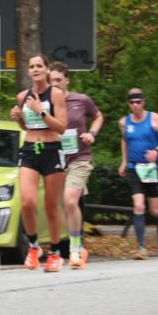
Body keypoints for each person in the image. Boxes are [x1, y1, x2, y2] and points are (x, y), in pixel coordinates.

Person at [8, 55, 68, 272]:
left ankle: (55, 252)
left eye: (39, 66)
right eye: (31, 66)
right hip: (30, 150)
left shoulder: (56, 94)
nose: (35, 69)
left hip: (52, 150)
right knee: (28, 202)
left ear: (47, 69)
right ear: (28, 71)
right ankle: (33, 247)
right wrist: (18, 118)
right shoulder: (23, 96)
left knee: (52, 206)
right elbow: (26, 127)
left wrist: (40, 110)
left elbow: (61, 127)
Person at [47, 61, 102, 269]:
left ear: (67, 80)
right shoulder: (46, 104)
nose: (56, 84)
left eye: (59, 80)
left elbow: (98, 116)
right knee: (64, 205)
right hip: (57, 159)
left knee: (70, 202)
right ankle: (75, 245)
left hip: (80, 157)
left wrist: (92, 133)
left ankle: (75, 248)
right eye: (52, 81)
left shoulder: (81, 100)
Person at [118, 89, 158, 260]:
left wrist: (156, 151)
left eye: (138, 101)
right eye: (132, 102)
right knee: (139, 206)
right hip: (134, 169)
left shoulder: (154, 118)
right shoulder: (124, 122)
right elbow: (124, 141)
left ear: (144, 102)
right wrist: (124, 162)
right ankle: (141, 248)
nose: (135, 105)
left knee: (154, 210)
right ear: (128, 104)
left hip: (151, 169)